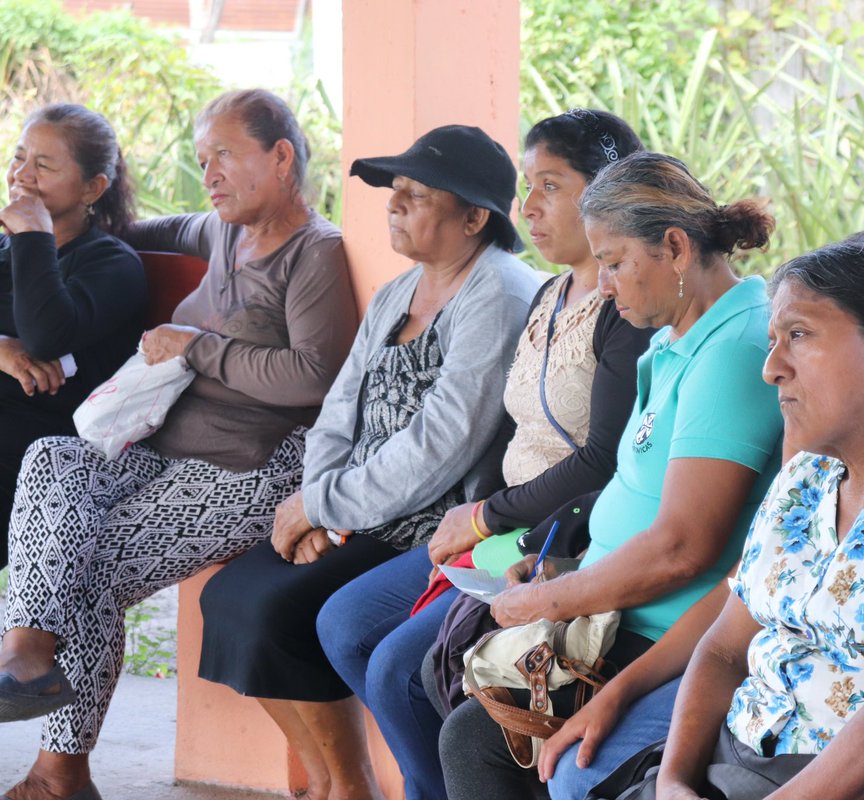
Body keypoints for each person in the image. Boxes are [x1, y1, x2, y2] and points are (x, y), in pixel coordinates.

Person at [0, 88, 357, 800]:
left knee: (89, 566)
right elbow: (133, 233)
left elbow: (316, 375)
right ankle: (28, 647)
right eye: (201, 160)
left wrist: (200, 349)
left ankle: (60, 771)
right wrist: (63, 224)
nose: (209, 174)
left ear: (281, 156)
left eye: (224, 155)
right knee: (51, 459)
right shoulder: (222, 230)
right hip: (164, 453)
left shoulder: (312, 254)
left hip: (248, 466)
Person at [556, 237, 864, 800]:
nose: (771, 369)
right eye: (773, 340)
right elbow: (724, 647)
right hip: (739, 754)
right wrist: (673, 780)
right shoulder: (809, 473)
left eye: (798, 335)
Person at [197, 123, 545, 800]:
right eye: (396, 191)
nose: (394, 203)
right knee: (232, 597)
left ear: (475, 217)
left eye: (415, 195)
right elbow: (340, 408)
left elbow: (445, 444)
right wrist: (318, 502)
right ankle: (331, 780)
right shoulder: (399, 292)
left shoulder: (498, 293)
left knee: (285, 613)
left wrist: (323, 508)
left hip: (429, 523)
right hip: (354, 510)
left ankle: (355, 783)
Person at [315, 110, 648, 800]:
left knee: (399, 668)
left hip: (555, 532)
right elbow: (506, 430)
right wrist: (474, 517)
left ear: (607, 194)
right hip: (501, 524)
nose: (527, 207)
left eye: (550, 186)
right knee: (346, 625)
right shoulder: (551, 294)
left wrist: (486, 520)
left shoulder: (624, 309)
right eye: (528, 185)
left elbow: (603, 461)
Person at [436, 151, 785, 800]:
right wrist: (562, 571)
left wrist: (548, 601)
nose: (603, 285)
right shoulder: (678, 340)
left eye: (615, 262)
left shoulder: (734, 349)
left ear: (676, 249)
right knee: (458, 696)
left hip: (671, 634)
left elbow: (685, 547)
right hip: (619, 614)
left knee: (483, 742)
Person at [0, 104, 145, 569]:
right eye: (19, 156)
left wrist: (33, 236)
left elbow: (45, 337)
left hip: (34, 456)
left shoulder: (111, 264)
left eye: (43, 165)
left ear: (92, 188)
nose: (21, 174)